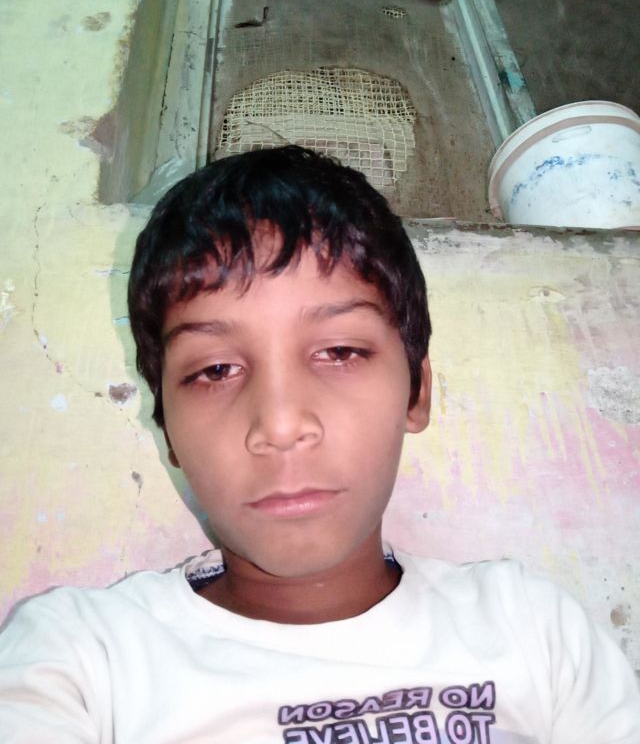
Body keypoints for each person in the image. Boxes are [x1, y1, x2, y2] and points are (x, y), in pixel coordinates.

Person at [0, 145, 638, 743]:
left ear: (416, 392)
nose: (280, 425)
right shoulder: (81, 660)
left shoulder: (536, 632)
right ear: (167, 426)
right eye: (215, 369)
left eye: (339, 352)